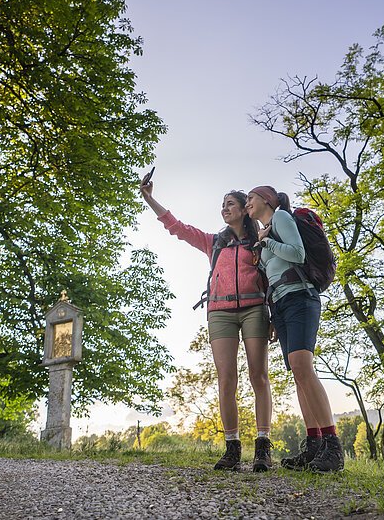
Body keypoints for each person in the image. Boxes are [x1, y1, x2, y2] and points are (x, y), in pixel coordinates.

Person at [141, 176, 273, 472]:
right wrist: (150, 199)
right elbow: (178, 228)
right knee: (226, 379)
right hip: (219, 312)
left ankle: (263, 447)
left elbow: (273, 276)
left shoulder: (261, 240)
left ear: (243, 209)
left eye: (230, 204)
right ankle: (232, 448)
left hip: (254, 308)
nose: (224, 208)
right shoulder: (214, 242)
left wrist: (272, 315)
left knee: (258, 376)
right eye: (222, 205)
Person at [246, 185, 344, 472]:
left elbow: (298, 254)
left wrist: (267, 243)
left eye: (250, 198)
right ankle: (314, 446)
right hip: (282, 303)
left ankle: (333, 448)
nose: (248, 203)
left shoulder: (281, 218)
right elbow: (273, 277)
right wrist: (274, 317)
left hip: (301, 297)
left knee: (303, 366)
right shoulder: (266, 229)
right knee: (298, 374)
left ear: (267, 200)